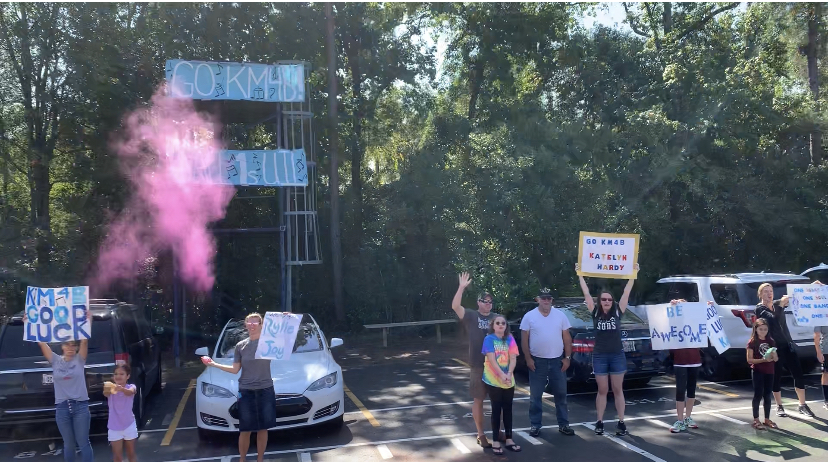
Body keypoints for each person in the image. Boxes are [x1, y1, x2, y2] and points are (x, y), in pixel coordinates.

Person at [202, 313, 276, 462]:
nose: (253, 325)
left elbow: (286, 338)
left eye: (256, 322)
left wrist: (287, 318)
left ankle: (260, 459)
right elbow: (235, 369)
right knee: (245, 429)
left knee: (263, 428)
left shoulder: (269, 343)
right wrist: (213, 364)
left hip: (266, 389)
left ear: (262, 325)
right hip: (246, 391)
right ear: (246, 325)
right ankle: (242, 459)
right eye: (250, 322)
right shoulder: (241, 346)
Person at [576, 263, 639, 436]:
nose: (606, 302)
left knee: (618, 390)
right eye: (603, 299)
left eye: (609, 299)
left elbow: (626, 292)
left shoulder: (618, 312)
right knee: (602, 390)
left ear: (613, 302)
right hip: (600, 356)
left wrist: (634, 273)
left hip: (617, 355)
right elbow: (586, 293)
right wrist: (580, 273)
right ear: (599, 301)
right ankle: (600, 422)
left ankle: (621, 422)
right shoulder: (595, 312)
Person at [36, 309, 94, 462]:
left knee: (83, 443)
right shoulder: (55, 360)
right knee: (68, 445)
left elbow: (85, 341)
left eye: (73, 345)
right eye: (67, 344)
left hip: (80, 406)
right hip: (62, 408)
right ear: (62, 346)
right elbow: (41, 342)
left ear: (75, 347)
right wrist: (30, 323)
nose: (70, 347)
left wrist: (88, 321)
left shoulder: (80, 359)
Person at [451, 272, 498, 448]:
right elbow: (455, 306)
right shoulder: (471, 316)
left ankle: (497, 431)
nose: (488, 304)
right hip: (478, 365)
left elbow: (506, 340)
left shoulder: (497, 318)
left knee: (497, 400)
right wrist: (461, 287)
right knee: (479, 399)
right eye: (485, 301)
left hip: (496, 367)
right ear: (478, 303)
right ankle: (481, 434)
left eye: (490, 302)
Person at [520, 287, 574, 437]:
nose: (546, 301)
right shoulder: (529, 316)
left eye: (548, 298)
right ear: (538, 299)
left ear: (552, 300)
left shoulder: (560, 315)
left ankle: (564, 425)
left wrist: (567, 358)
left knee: (561, 395)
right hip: (537, 362)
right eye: (543, 298)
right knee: (535, 396)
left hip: (557, 361)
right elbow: (524, 339)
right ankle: (535, 425)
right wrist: (528, 358)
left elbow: (567, 338)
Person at [754, 283, 815, 417]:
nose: (769, 294)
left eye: (770, 291)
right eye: (765, 292)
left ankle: (802, 405)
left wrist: (812, 287)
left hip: (787, 344)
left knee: (798, 374)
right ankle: (779, 406)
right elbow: (773, 320)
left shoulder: (776, 304)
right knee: (776, 377)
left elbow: (798, 296)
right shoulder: (760, 309)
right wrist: (781, 305)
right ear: (760, 294)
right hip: (774, 347)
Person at [481, 315, 521, 455]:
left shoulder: (510, 338)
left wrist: (509, 373)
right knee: (496, 409)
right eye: (498, 323)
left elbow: (513, 358)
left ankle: (509, 439)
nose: (500, 325)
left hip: (508, 379)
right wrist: (502, 375)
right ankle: (496, 440)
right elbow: (491, 360)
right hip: (493, 379)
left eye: (503, 323)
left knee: (508, 409)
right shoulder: (489, 339)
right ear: (493, 325)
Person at [666, 299, 703, 433]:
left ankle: (688, 417)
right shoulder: (674, 322)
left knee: (691, 390)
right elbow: (666, 323)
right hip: (680, 361)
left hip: (694, 360)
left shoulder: (695, 321)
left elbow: (705, 323)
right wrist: (672, 306)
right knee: (680, 390)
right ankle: (680, 420)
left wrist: (708, 307)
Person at [746, 318, 779, 429]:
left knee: (767, 395)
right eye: (761, 329)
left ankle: (767, 419)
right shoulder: (752, 342)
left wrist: (773, 355)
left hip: (770, 371)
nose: (763, 331)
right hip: (758, 371)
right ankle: (756, 419)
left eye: (765, 329)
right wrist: (763, 360)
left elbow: (776, 358)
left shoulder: (770, 341)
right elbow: (749, 360)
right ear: (756, 329)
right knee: (758, 395)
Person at [104, 364, 138, 462]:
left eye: (122, 374)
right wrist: (111, 387)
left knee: (131, 454)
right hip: (114, 427)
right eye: (116, 374)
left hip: (129, 425)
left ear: (128, 376)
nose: (118, 376)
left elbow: (130, 392)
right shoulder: (110, 388)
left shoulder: (131, 387)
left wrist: (121, 389)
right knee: (117, 457)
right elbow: (105, 393)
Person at [815, 324, 828, 410]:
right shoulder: (820, 316)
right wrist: (818, 352)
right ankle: (826, 400)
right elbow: (816, 336)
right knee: (826, 373)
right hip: (826, 349)